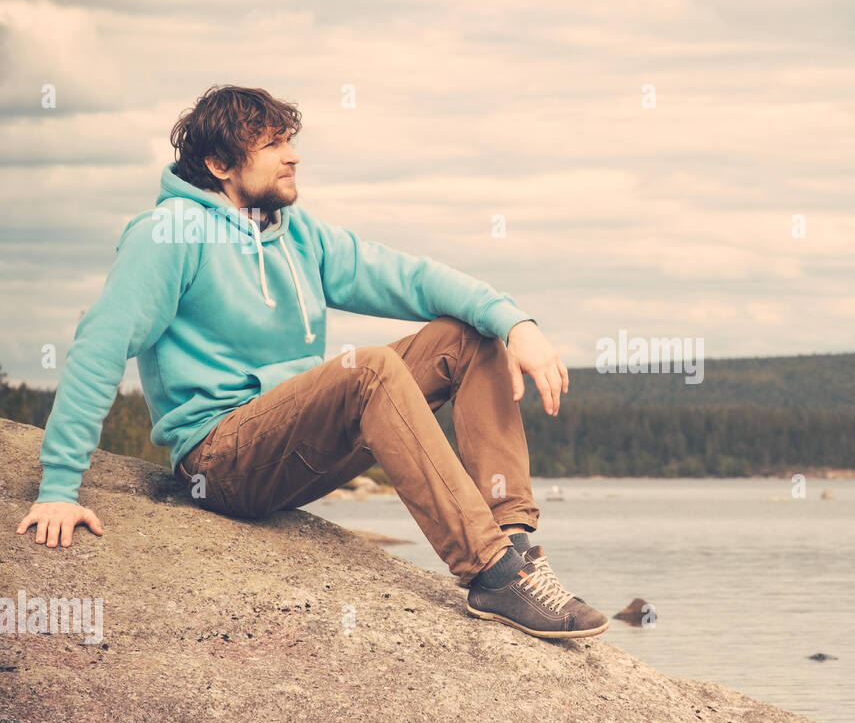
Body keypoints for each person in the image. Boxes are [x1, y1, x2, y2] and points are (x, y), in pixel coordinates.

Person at [16, 84, 608, 640]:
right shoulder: (168, 234)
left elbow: (413, 277)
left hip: (292, 447)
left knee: (469, 335)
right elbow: (100, 343)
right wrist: (59, 488)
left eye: (289, 141)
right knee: (369, 368)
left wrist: (515, 323)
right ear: (221, 165)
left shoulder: (299, 236)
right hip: (219, 460)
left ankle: (515, 542)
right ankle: (491, 574)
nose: (292, 157)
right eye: (272, 145)